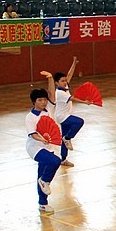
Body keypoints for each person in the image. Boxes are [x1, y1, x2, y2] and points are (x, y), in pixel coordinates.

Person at [26, 77, 63, 215]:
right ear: (34, 102)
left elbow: (52, 93)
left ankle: (43, 203)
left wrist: (50, 78)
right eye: (40, 100)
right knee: (55, 161)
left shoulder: (49, 109)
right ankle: (44, 180)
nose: (43, 102)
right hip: (35, 148)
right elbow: (33, 134)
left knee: (42, 173)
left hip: (49, 147)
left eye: (44, 99)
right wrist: (42, 139)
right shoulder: (30, 117)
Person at [49, 57, 91, 167]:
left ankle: (63, 159)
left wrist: (74, 63)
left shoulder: (65, 86)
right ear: (56, 83)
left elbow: (69, 75)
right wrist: (85, 102)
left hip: (65, 115)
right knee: (79, 122)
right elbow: (72, 98)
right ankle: (68, 138)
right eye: (62, 81)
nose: (65, 82)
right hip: (62, 116)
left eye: (65, 81)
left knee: (64, 138)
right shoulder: (59, 93)